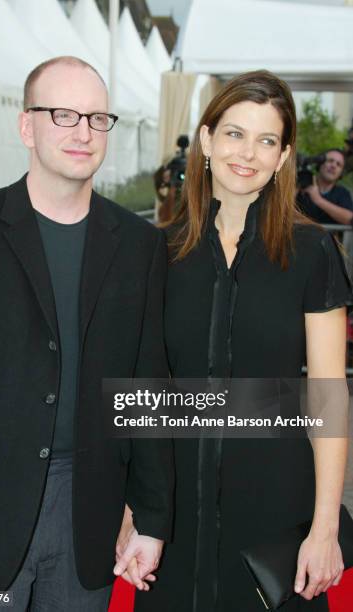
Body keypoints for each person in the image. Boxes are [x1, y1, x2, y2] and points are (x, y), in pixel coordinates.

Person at [0, 56, 173, 611]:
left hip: (89, 511)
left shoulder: (139, 245)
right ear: (27, 126)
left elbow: (147, 383)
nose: (83, 132)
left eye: (97, 118)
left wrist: (151, 516)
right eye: (63, 114)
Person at [134, 70, 351, 611]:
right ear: (206, 140)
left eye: (267, 140)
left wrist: (325, 529)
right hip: (176, 505)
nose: (248, 153)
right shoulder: (161, 253)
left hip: (274, 505)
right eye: (234, 133)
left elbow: (328, 395)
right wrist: (133, 512)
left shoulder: (310, 251)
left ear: (283, 157)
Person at [298, 149, 353, 225]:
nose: (333, 166)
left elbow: (349, 219)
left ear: (341, 172)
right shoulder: (302, 185)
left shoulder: (342, 193)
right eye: (330, 161)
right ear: (320, 163)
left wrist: (318, 199)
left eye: (339, 164)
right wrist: (295, 188)